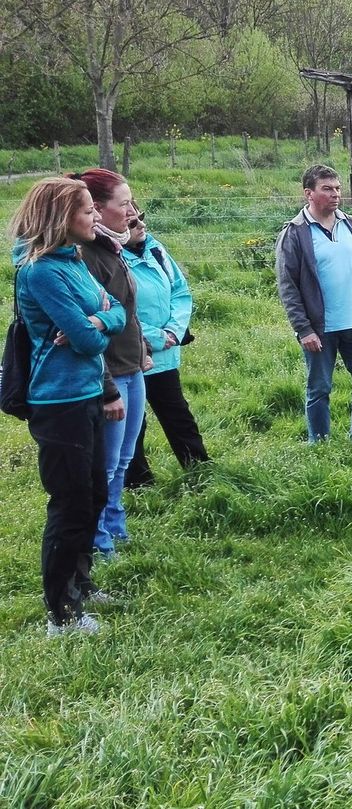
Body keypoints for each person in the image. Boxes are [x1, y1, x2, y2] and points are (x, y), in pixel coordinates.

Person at [10, 177, 127, 636]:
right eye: (86, 212)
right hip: (58, 402)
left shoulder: (72, 259)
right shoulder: (40, 271)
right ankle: (61, 612)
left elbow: (114, 312)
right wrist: (94, 325)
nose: (95, 217)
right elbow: (84, 340)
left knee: (94, 494)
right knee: (70, 504)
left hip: (87, 395)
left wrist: (98, 317)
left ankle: (80, 584)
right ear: (62, 219)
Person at [275, 164, 352, 442]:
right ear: (308, 193)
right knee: (319, 388)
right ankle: (320, 446)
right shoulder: (295, 233)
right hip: (319, 329)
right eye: (327, 189)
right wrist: (304, 329)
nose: (335, 194)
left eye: (337, 188)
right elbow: (288, 287)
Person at [74, 167, 149, 561]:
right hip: (110, 375)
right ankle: (97, 540)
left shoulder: (113, 247)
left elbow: (127, 312)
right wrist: (106, 388)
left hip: (132, 368)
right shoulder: (87, 256)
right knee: (104, 466)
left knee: (122, 459)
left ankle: (115, 529)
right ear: (97, 210)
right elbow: (89, 330)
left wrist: (141, 352)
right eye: (124, 204)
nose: (132, 212)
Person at [122, 209, 210, 487]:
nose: (142, 225)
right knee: (133, 424)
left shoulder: (156, 249)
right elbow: (118, 311)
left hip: (165, 356)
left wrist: (174, 330)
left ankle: (200, 472)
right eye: (132, 222)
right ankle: (139, 485)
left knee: (178, 415)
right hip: (129, 354)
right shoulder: (108, 260)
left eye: (141, 216)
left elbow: (181, 292)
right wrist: (157, 337)